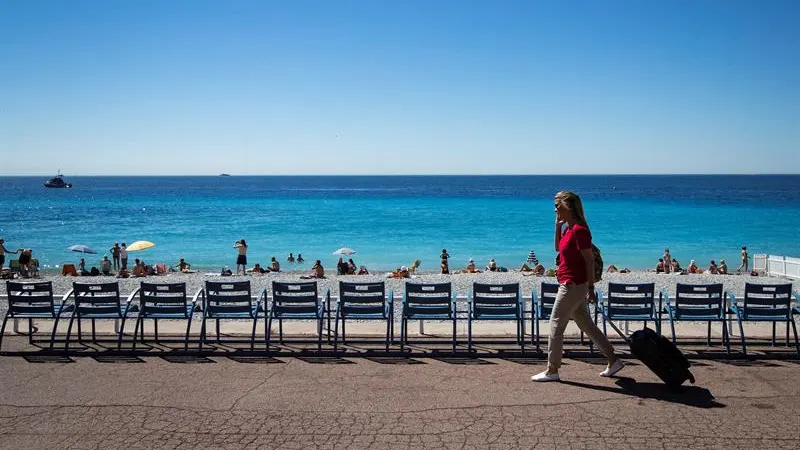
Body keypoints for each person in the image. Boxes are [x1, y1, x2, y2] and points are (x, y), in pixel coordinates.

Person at [532, 190, 622, 382]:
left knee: (556, 324)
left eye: (558, 205)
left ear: (569, 206)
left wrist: (590, 288)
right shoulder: (568, 229)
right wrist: (557, 227)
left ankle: (552, 369)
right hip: (570, 283)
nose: (555, 208)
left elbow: (589, 260)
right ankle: (613, 360)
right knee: (586, 325)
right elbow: (558, 248)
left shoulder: (581, 230)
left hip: (573, 285)